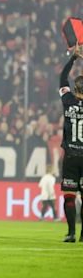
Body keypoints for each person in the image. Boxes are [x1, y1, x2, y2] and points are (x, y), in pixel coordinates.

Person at [58, 44, 83, 242]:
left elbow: (61, 78)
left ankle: (72, 233)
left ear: (75, 89)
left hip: (71, 156)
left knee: (69, 195)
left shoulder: (68, 100)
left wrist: (73, 58)